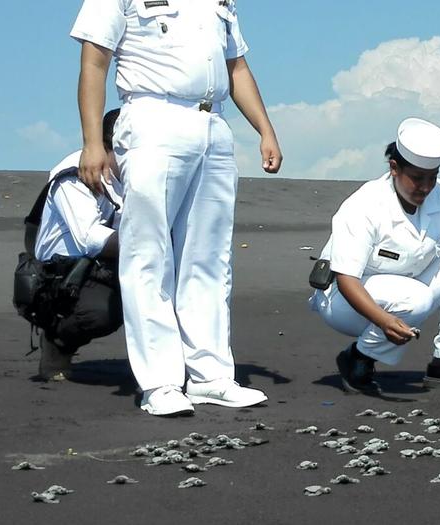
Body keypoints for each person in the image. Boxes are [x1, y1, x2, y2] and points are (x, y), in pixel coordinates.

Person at [70, 0, 282, 416]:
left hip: (213, 124)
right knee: (148, 254)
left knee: (209, 258)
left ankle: (211, 376)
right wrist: (93, 141)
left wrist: (265, 129)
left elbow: (235, 65)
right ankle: (161, 382)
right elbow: (95, 61)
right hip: (153, 115)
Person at [310, 118, 440, 394]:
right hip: (344, 299)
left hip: (409, 285)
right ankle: (358, 359)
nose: (426, 187)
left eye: (432, 177)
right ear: (394, 168)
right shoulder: (365, 205)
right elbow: (346, 279)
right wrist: (384, 321)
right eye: (417, 178)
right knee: (416, 298)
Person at [31, 109, 125, 381]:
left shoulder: (132, 173)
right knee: (101, 313)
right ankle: (57, 339)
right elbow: (90, 238)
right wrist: (148, 244)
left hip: (108, 262)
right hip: (64, 274)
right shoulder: (73, 173)